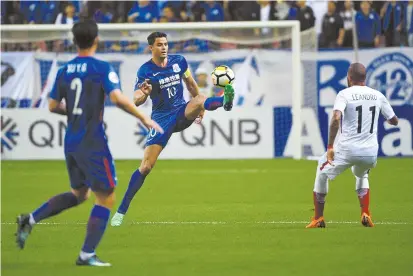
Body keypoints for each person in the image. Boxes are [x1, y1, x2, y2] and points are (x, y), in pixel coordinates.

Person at [15, 20, 163, 266]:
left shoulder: (64, 70)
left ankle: (29, 219)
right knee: (106, 197)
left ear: (75, 41)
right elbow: (117, 98)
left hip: (71, 140)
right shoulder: (102, 68)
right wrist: (143, 116)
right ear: (96, 40)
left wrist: (75, 112)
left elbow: (52, 105)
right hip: (92, 141)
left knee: (79, 193)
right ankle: (86, 254)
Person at [110, 31, 234, 226]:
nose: (164, 47)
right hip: (161, 120)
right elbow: (136, 99)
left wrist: (201, 107)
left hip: (181, 112)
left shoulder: (179, 62)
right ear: (151, 48)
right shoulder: (145, 71)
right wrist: (145, 93)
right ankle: (121, 211)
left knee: (201, 98)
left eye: (166, 44)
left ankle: (224, 101)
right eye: (160, 45)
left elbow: (191, 84)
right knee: (146, 167)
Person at [306, 63, 398, 228]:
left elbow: (336, 118)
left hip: (347, 149)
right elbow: (394, 120)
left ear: (349, 78)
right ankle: (365, 213)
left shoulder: (344, 94)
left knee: (321, 170)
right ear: (365, 77)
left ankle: (318, 218)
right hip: (370, 153)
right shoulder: (377, 95)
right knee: (361, 174)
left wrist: (330, 147)